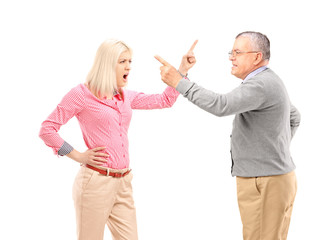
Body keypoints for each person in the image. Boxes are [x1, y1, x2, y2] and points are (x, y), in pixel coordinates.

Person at [155, 31, 301, 240]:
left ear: (256, 57)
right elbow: (294, 116)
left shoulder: (261, 84)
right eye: (231, 52)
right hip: (263, 177)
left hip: (267, 179)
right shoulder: (266, 82)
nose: (231, 57)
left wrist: (179, 81)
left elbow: (221, 105)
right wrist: (274, 150)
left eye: (238, 52)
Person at [39, 39, 186, 240]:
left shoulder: (126, 96)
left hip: (123, 182)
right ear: (107, 64)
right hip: (95, 184)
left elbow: (165, 100)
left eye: (130, 61)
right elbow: (47, 129)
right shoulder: (81, 95)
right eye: (122, 61)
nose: (129, 67)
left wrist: (181, 72)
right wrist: (78, 156)